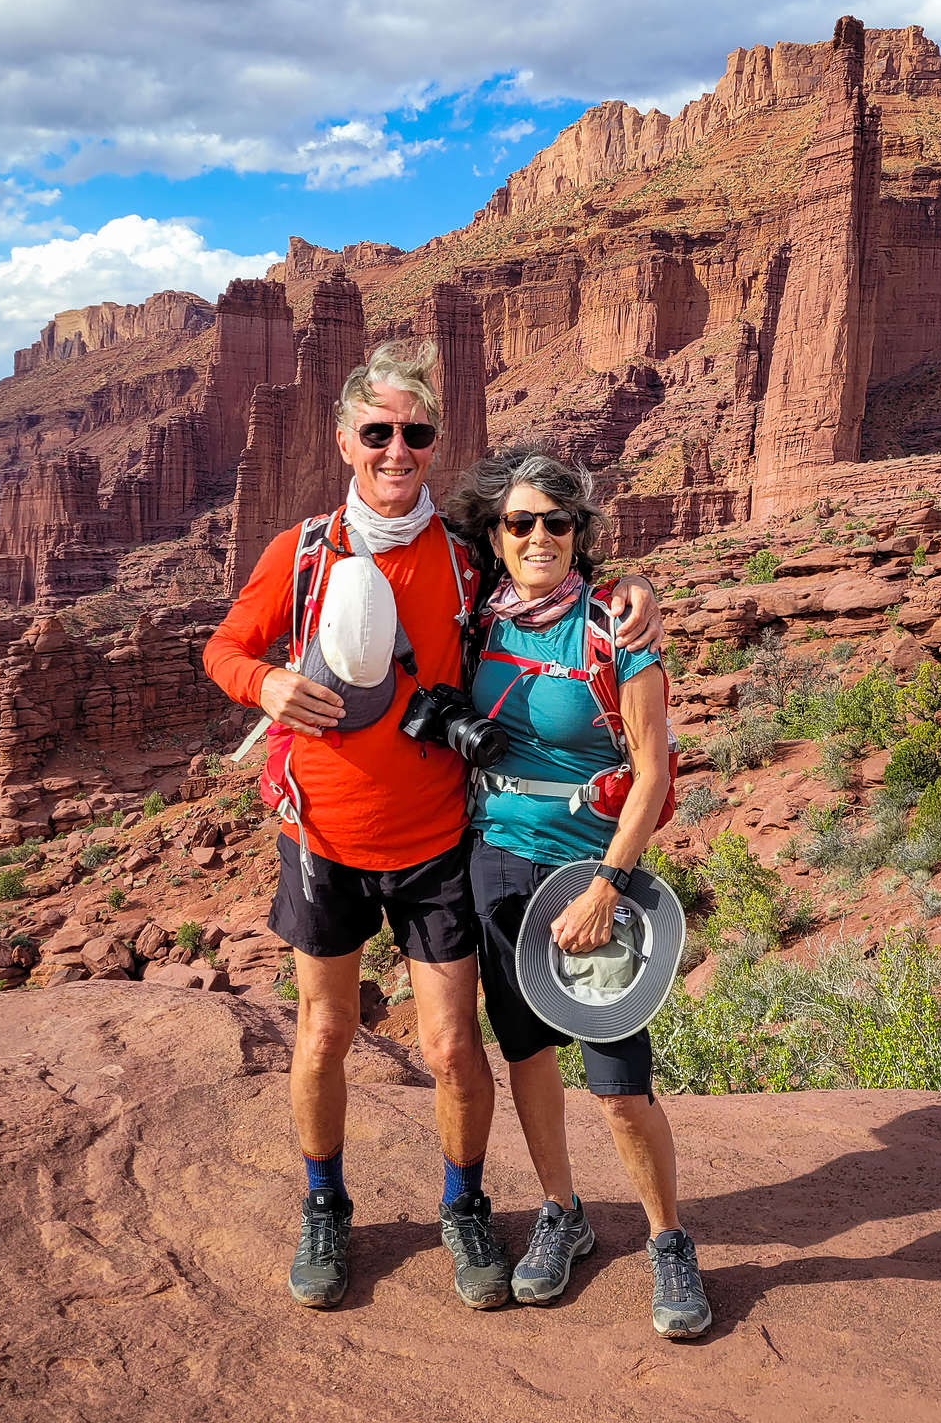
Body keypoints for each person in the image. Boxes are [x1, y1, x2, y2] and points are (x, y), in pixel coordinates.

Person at [202, 342, 664, 1311]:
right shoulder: (301, 554)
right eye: (379, 432)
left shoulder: (462, 557)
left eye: (416, 433)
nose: (398, 449)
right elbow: (224, 649)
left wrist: (633, 593)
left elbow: (550, 568)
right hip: (322, 836)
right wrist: (269, 682)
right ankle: (324, 1203)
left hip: (438, 843)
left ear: (434, 442)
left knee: (455, 1049)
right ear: (344, 441)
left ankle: (465, 1203)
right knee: (325, 1033)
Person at [445, 446, 712, 1338]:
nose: (538, 537)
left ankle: (668, 1240)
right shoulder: (479, 619)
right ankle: (562, 1213)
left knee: (618, 1085)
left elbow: (650, 770)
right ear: (495, 533)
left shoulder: (615, 631)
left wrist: (608, 882)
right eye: (519, 522)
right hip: (495, 860)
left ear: (579, 533)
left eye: (556, 523)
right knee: (527, 1057)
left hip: (589, 873)